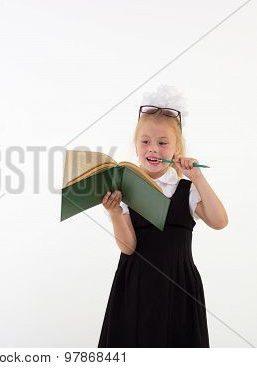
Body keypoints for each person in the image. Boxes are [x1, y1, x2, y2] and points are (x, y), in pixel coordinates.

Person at [97, 85, 228, 348]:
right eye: (145, 142)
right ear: (136, 146)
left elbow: (219, 221)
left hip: (179, 285)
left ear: (177, 148)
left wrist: (198, 177)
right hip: (134, 286)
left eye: (162, 142)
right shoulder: (124, 189)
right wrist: (114, 213)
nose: (153, 149)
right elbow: (128, 247)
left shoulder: (186, 191)